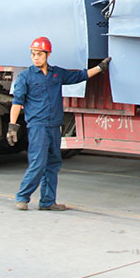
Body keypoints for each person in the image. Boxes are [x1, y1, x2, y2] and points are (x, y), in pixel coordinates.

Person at [9, 36, 109, 211]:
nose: (36, 57)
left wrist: (100, 68)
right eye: (33, 54)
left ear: (48, 54)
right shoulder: (25, 76)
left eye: (39, 54)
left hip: (54, 125)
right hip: (38, 126)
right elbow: (17, 102)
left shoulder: (57, 74)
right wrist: (12, 125)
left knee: (53, 163)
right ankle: (22, 197)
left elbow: (80, 76)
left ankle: (47, 202)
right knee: (38, 163)